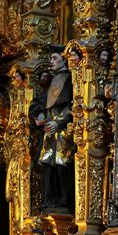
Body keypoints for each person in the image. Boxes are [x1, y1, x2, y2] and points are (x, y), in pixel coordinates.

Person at [31, 47, 74, 211]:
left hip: (62, 127)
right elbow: (43, 103)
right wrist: (41, 116)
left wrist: (59, 121)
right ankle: (49, 201)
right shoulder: (52, 81)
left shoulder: (70, 79)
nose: (52, 61)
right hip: (50, 127)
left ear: (64, 59)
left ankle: (64, 200)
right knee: (47, 164)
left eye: (55, 58)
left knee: (62, 162)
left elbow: (72, 104)